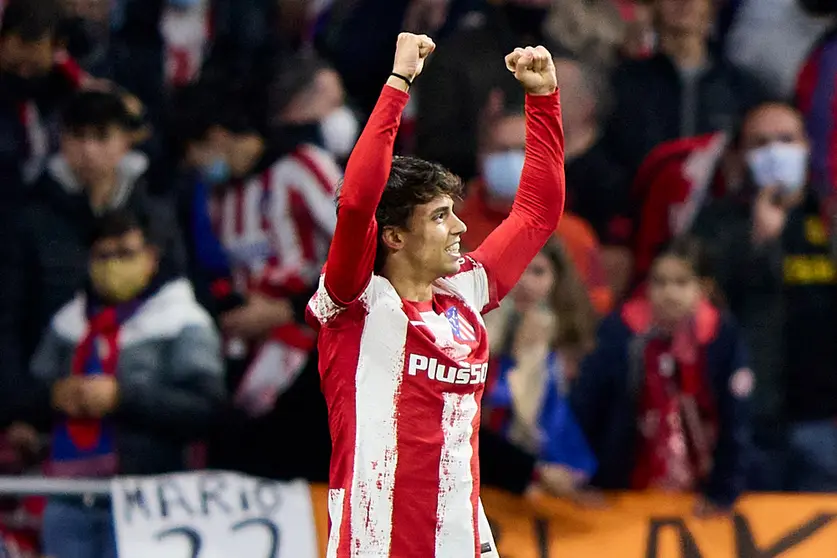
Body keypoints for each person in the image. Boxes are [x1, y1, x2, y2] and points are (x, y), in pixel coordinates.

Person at [305, 33, 564, 557]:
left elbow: (537, 214)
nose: (461, 228)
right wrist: (398, 83)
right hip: (377, 544)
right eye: (441, 216)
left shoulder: (465, 290)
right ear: (394, 236)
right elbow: (358, 204)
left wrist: (543, 102)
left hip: (465, 542)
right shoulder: (356, 302)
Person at [29, 209, 224, 558]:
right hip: (66, 497)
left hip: (149, 501)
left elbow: (207, 410)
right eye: (103, 256)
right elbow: (26, 395)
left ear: (151, 257)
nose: (113, 265)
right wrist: (54, 397)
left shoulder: (182, 321)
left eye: (126, 254)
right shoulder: (68, 323)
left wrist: (123, 397)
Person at [0, 90, 181, 427]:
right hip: (52, 398)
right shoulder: (30, 221)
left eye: (101, 137)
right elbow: (10, 322)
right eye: (77, 137)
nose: (88, 150)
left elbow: (179, 301)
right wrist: (20, 408)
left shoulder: (155, 216)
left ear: (126, 141)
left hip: (142, 403)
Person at [572, 237, 753, 513]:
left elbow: (734, 421)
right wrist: (583, 481)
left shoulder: (721, 337)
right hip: (623, 491)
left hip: (698, 495)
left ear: (703, 288)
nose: (669, 293)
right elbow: (587, 405)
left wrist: (722, 494)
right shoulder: (620, 332)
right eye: (660, 282)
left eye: (681, 283)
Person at [481, 237, 598, 499]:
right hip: (492, 479)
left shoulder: (574, 345)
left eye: (538, 272)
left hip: (558, 486)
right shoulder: (475, 336)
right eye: (518, 268)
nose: (525, 282)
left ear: (557, 280)